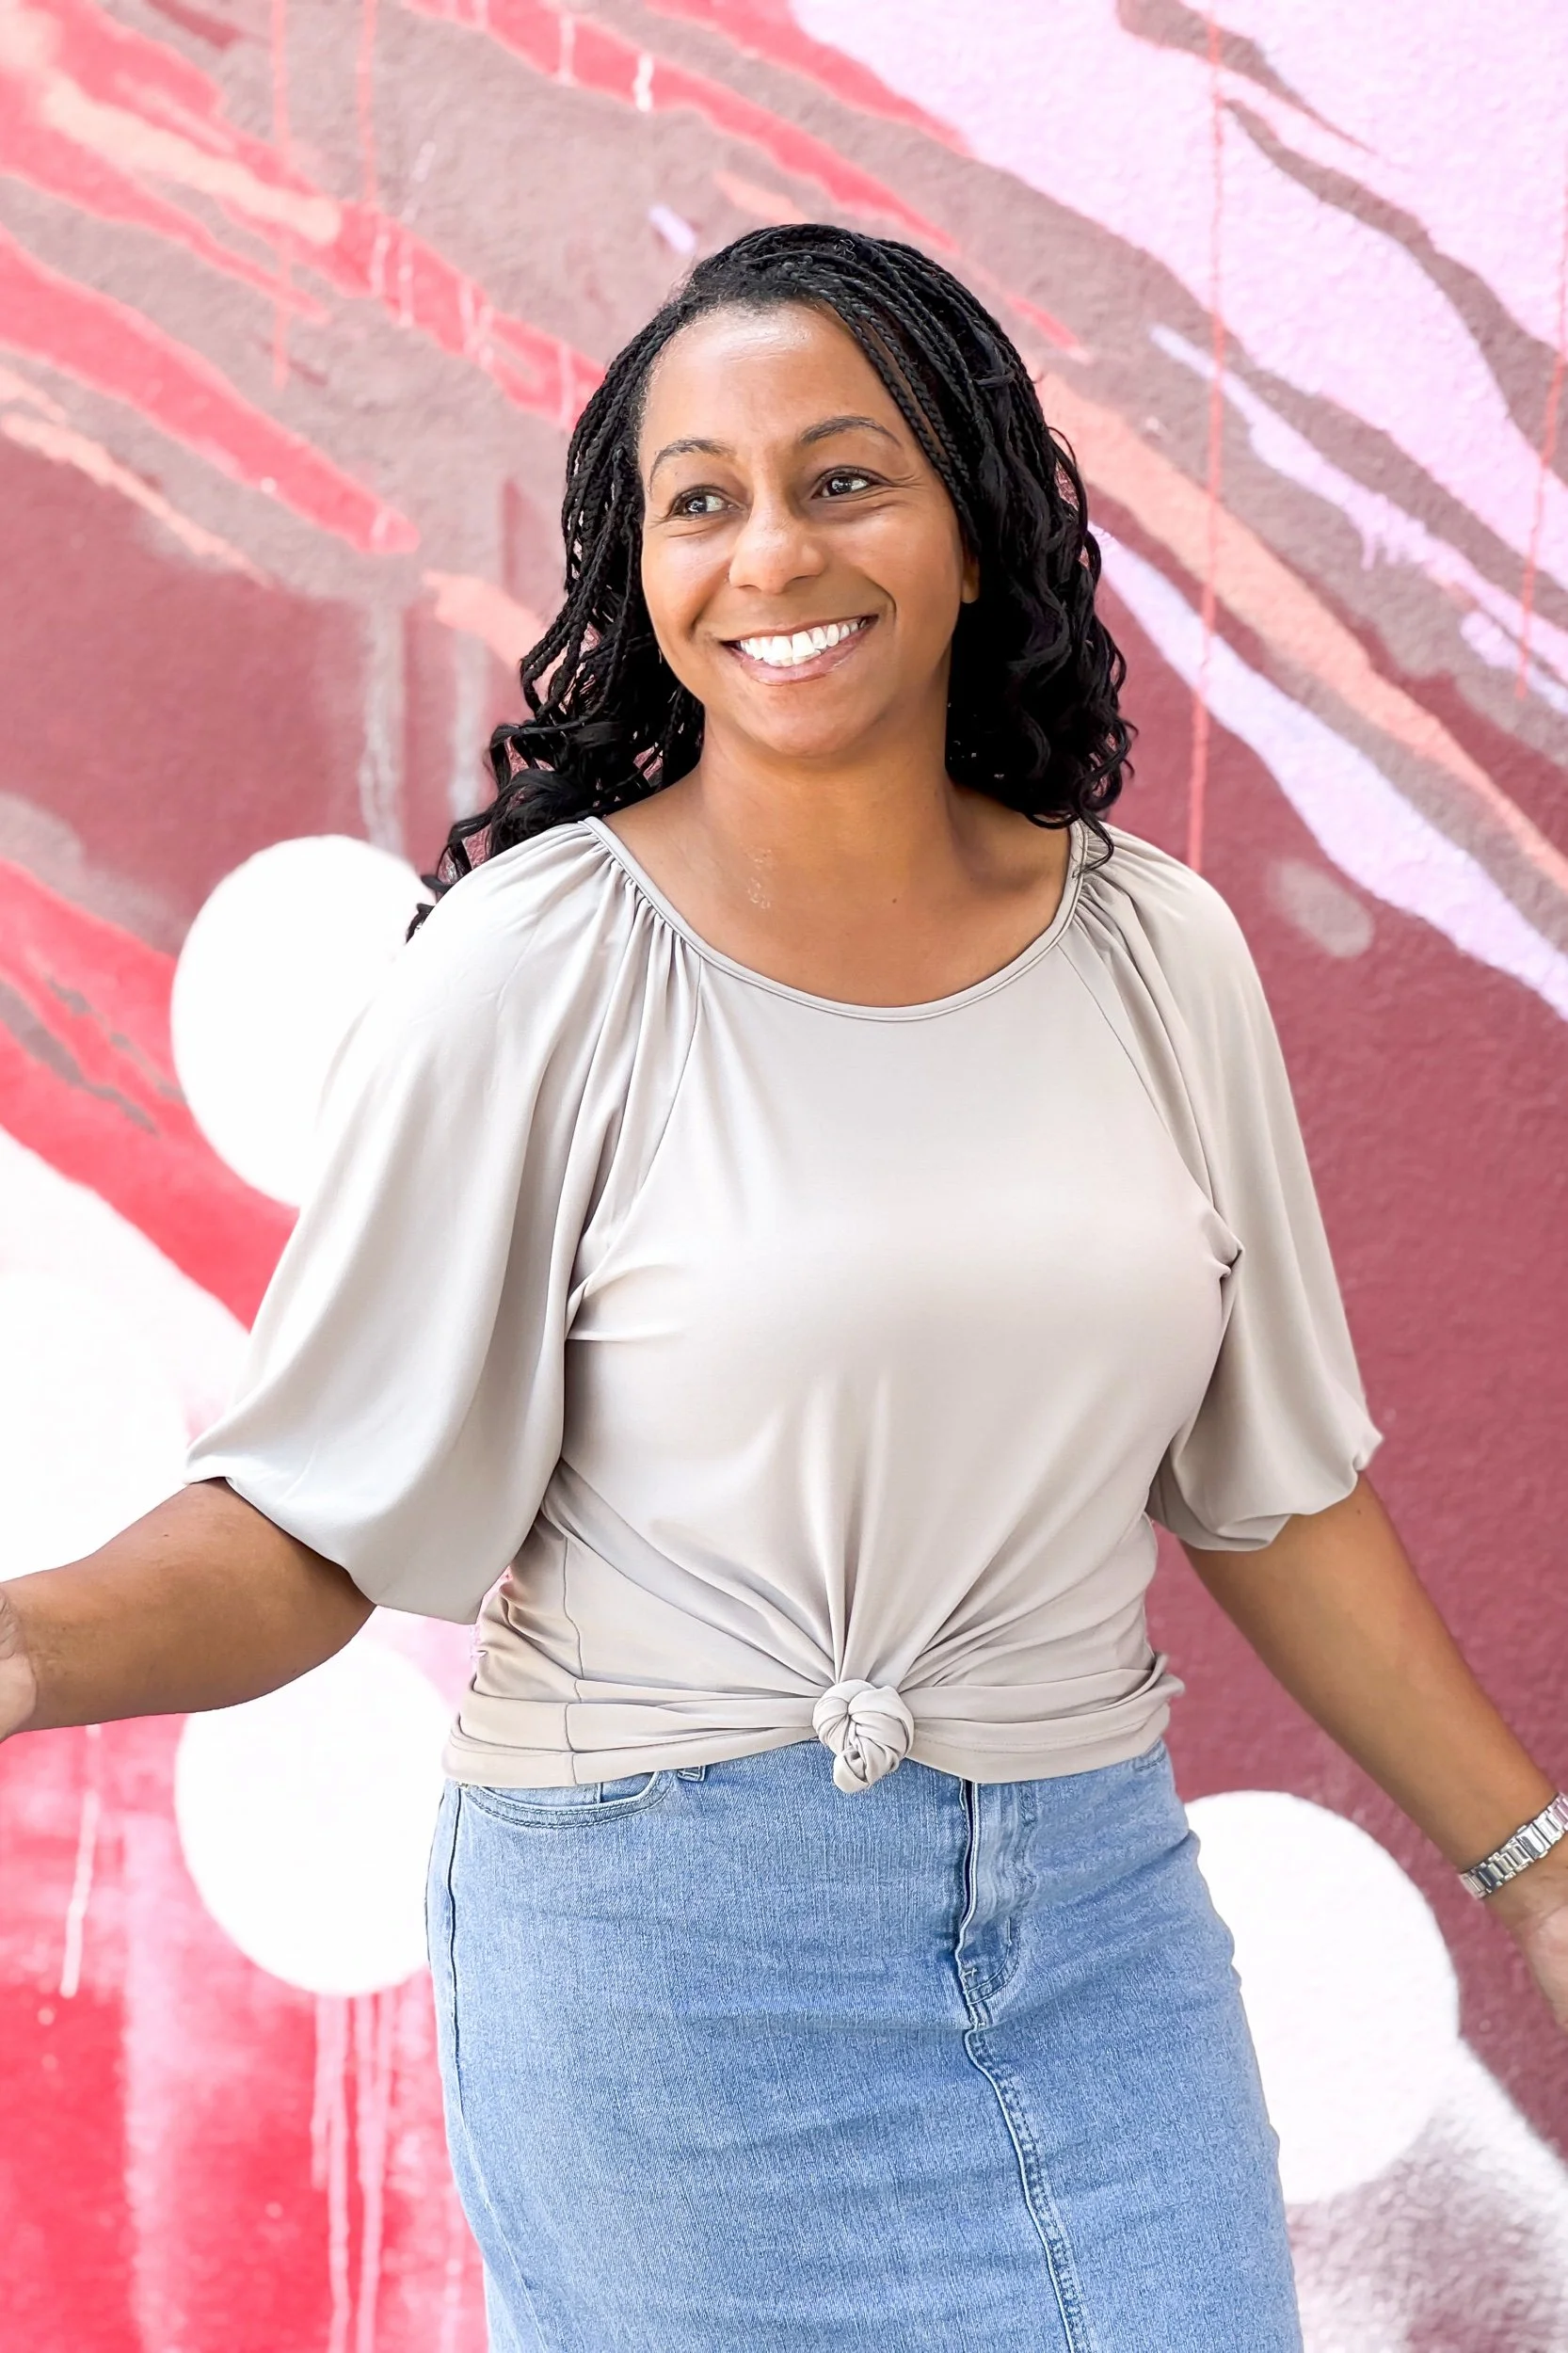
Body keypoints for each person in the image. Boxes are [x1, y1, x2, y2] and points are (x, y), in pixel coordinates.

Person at [2, 224, 1564, 2353]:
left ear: (970, 525)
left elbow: (1269, 1489)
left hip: (1097, 1938)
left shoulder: (1157, 955)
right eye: (700, 501)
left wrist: (1531, 1867)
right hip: (672, 1979)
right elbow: (307, 1522)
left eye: (841, 479)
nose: (770, 555)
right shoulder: (535, 970)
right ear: (638, 565)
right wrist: (26, 1644)